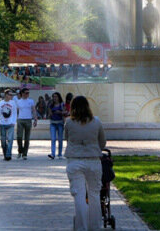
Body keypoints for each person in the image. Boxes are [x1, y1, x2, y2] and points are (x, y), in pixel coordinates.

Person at [65, 95, 106, 231]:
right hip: (93, 161)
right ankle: (95, 227)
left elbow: (67, 138)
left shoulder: (69, 122)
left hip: (75, 161)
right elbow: (102, 142)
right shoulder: (97, 122)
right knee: (94, 195)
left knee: (79, 195)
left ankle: (81, 227)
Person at [0, 90, 18, 160]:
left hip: (10, 124)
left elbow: (15, 113)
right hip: (2, 124)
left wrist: (13, 122)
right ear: (6, 95)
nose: (11, 96)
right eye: (10, 95)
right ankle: (5, 154)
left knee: (10, 140)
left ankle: (8, 155)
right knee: (3, 141)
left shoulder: (13, 103)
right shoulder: (0, 103)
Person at [15, 87, 37, 159]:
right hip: (20, 119)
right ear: (22, 94)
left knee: (27, 138)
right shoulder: (18, 101)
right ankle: (20, 150)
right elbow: (16, 111)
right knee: (19, 136)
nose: (28, 94)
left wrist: (35, 119)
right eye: (26, 93)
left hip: (28, 120)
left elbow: (33, 110)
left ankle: (25, 154)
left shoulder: (31, 101)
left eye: (28, 93)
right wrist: (14, 119)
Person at [47, 92, 65, 160]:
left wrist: (59, 112)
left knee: (60, 139)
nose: (55, 98)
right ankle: (53, 154)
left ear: (59, 97)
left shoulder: (62, 104)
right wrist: (50, 114)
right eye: (53, 97)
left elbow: (64, 112)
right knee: (53, 139)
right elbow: (49, 114)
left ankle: (60, 154)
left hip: (60, 123)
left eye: (56, 96)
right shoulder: (51, 105)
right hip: (53, 123)